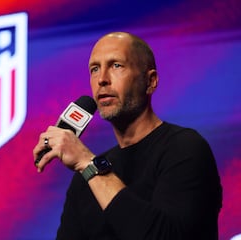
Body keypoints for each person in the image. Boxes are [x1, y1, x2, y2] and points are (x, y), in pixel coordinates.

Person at [32, 32, 222, 240]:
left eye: (116, 66)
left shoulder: (185, 148)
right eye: (95, 69)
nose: (102, 80)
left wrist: (89, 165)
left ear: (151, 81)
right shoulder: (84, 180)